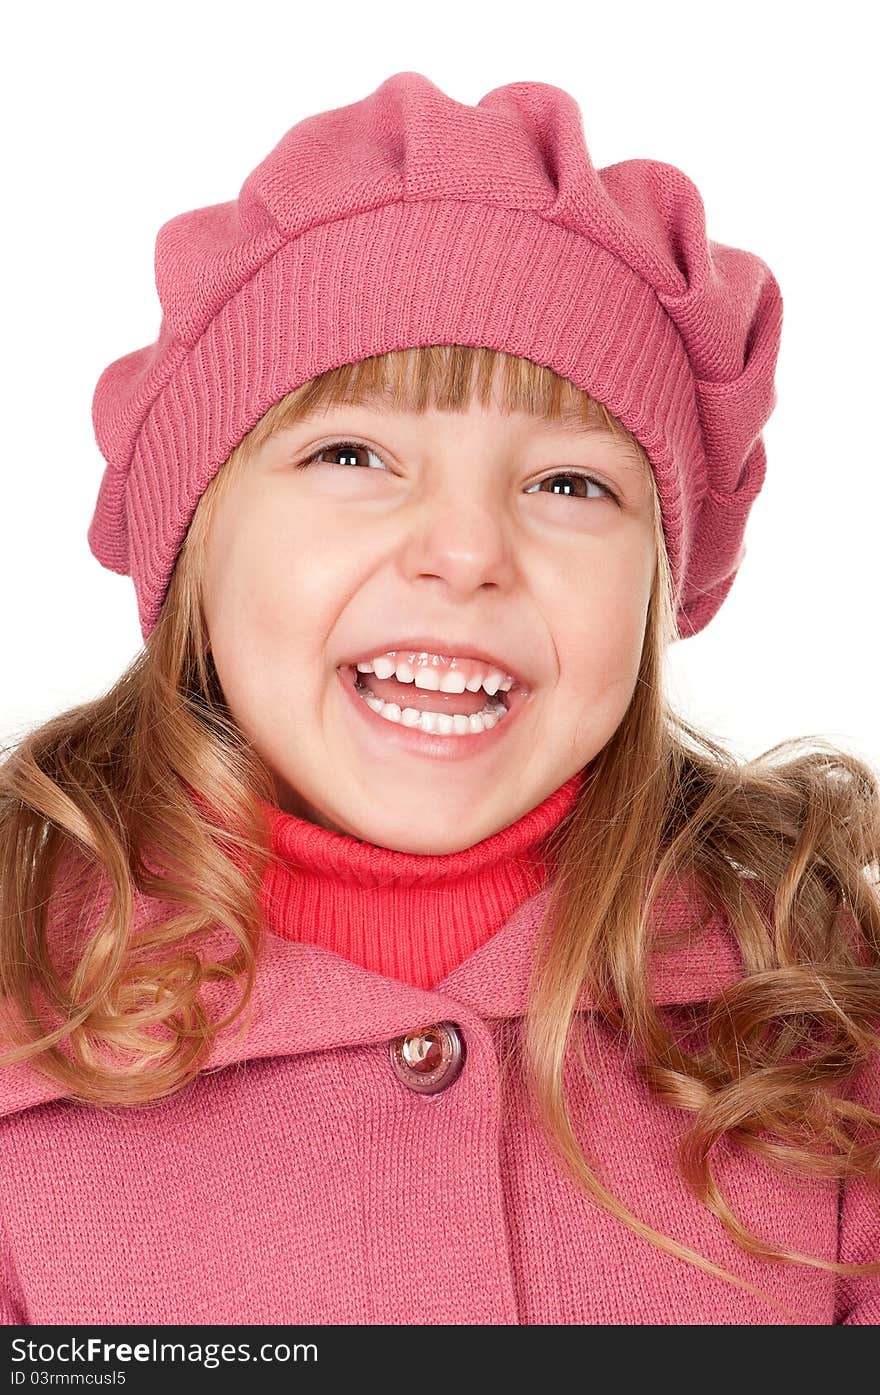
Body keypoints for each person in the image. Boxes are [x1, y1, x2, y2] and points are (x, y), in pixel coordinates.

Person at [0, 71, 877, 1327]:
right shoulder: (23, 1019)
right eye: (350, 455)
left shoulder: (819, 1028)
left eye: (570, 485)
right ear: (191, 545)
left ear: (656, 586)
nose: (463, 552)